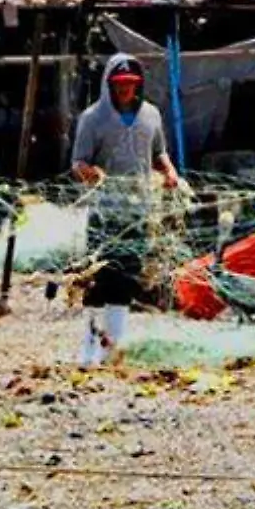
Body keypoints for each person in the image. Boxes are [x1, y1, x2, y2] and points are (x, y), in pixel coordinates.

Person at [69, 54, 182, 367]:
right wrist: (89, 172)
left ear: (139, 85)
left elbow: (159, 153)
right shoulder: (92, 119)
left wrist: (170, 172)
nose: (125, 90)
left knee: (126, 279)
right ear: (109, 85)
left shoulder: (151, 116)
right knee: (97, 278)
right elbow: (77, 162)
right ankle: (89, 346)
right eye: (119, 85)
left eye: (131, 85)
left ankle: (114, 346)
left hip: (139, 211)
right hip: (105, 212)